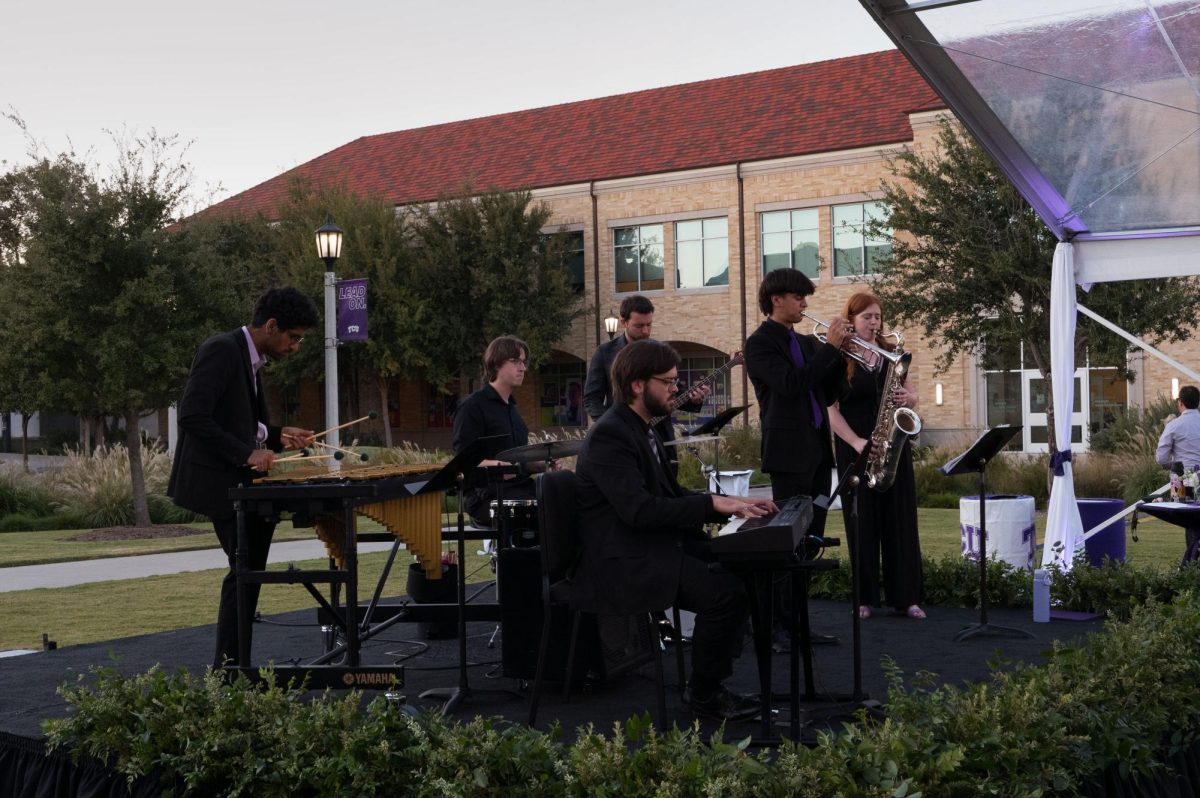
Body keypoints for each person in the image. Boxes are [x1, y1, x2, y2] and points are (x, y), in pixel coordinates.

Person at [572, 339, 777, 721]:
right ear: (637, 385)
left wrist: (728, 504)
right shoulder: (610, 435)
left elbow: (669, 494)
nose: (676, 388)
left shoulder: (644, 428)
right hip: (623, 559)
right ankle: (704, 693)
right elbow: (639, 511)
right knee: (724, 594)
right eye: (667, 381)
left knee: (744, 567)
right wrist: (710, 505)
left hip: (651, 545)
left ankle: (713, 672)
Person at [168, 287, 320, 668]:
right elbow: (191, 416)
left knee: (247, 576)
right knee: (244, 576)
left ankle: (234, 669)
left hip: (241, 486)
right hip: (219, 485)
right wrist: (247, 453)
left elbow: (238, 423)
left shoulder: (249, 360)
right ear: (271, 326)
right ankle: (230, 672)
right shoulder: (222, 349)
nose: (295, 346)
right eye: (294, 337)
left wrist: (278, 434)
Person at [826, 292, 925, 619]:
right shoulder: (839, 358)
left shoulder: (892, 354)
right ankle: (864, 599)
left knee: (900, 521)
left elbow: (913, 395)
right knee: (862, 523)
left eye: (877, 316)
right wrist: (856, 442)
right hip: (855, 448)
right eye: (867, 317)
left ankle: (907, 597)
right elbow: (829, 409)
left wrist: (907, 399)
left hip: (892, 446)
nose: (874, 322)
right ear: (852, 319)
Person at [583, 295, 708, 475]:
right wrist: (612, 426)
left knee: (668, 486)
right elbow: (591, 399)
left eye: (649, 325)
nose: (646, 331)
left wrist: (694, 401)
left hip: (660, 434)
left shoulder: (659, 351)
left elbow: (673, 391)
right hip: (623, 435)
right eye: (639, 326)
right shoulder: (604, 353)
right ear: (623, 322)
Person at [452, 335, 546, 530]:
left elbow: (518, 459)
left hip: (520, 488)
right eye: (515, 362)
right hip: (486, 496)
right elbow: (463, 461)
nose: (523, 368)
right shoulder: (473, 407)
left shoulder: (512, 409)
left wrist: (539, 465)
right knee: (545, 507)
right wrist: (500, 467)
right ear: (496, 365)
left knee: (564, 490)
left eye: (524, 362)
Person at [1155, 385, 1200, 563]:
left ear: (1180, 403)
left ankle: (1191, 560)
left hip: (1182, 478)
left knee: (1188, 520)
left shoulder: (1174, 425)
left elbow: (1161, 458)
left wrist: (1172, 464)